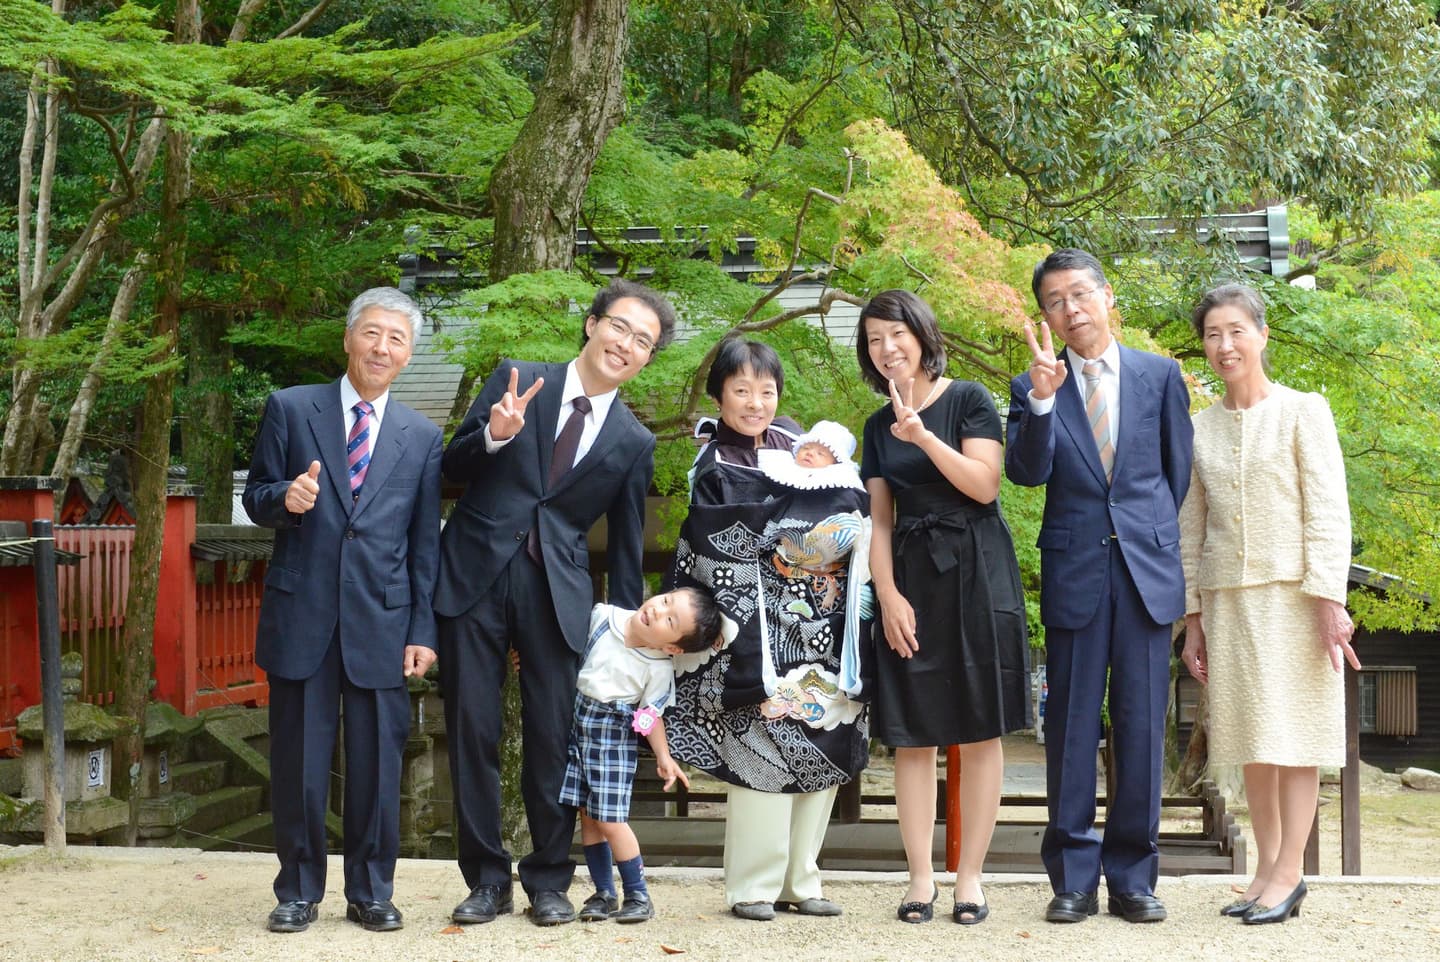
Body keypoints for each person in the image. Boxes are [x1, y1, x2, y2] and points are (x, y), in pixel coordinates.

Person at [434, 279, 677, 927]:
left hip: (558, 595)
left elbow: (626, 552)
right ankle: (485, 880)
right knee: (472, 731)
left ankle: (548, 878)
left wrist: (628, 648)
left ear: (648, 358)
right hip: (472, 576)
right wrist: (493, 433)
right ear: (593, 324)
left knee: (551, 739)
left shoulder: (633, 441)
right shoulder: (517, 379)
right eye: (619, 327)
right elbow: (446, 470)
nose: (626, 344)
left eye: (643, 341)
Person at [243, 287, 443, 934]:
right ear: (349, 338)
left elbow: (422, 544)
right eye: (373, 333)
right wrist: (287, 500)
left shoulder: (421, 436)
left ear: (408, 355)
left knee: (378, 768)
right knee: (298, 764)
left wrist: (422, 629)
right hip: (302, 614)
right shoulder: (292, 408)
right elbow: (257, 496)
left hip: (382, 622)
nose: (382, 348)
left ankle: (372, 891)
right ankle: (297, 890)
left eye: (397, 340)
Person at [1006, 249, 1193, 924]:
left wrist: (1150, 542)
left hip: (1146, 575)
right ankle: (1074, 879)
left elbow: (1175, 477)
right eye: (1055, 300)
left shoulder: (1160, 375)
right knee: (1071, 729)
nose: (1070, 308)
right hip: (1075, 570)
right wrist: (1042, 399)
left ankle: (1136, 878)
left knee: (1143, 729)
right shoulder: (1035, 385)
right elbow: (1027, 473)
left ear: (1108, 295)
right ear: (1046, 315)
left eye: (1080, 294)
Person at [664, 338, 871, 922]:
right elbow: (710, 546)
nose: (755, 403)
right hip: (755, 629)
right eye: (740, 390)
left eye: (766, 390)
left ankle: (802, 880)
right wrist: (794, 540)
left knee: (826, 739)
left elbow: (853, 508)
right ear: (719, 395)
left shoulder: (802, 446)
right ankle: (752, 885)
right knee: (761, 749)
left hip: (823, 626)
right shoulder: (713, 462)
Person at [1179, 284, 1358, 925]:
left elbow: (1329, 513)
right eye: (1212, 335)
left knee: (1294, 734)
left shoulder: (1304, 410)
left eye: (1235, 331)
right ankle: (1263, 868)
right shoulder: (1198, 429)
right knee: (1247, 735)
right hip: (1227, 600)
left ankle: (1291, 874)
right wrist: (1192, 618)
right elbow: (1189, 530)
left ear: (1261, 335)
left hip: (1296, 598)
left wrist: (1329, 601)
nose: (1224, 346)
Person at [857, 290, 1031, 925]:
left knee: (981, 728)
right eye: (874, 339)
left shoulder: (970, 400)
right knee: (912, 735)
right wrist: (888, 594)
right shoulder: (876, 426)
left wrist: (925, 438)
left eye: (895, 334)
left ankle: (972, 880)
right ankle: (920, 879)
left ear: (922, 335)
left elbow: (984, 485)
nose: (887, 348)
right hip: (911, 575)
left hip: (978, 568)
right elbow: (878, 521)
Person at [563, 587, 724, 924]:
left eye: (670, 619)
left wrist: (663, 756)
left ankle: (638, 894)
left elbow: (648, 716)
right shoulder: (602, 617)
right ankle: (604, 892)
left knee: (610, 819)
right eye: (665, 601)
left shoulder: (659, 668)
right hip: (576, 726)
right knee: (588, 817)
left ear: (672, 647)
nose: (657, 610)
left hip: (613, 739)